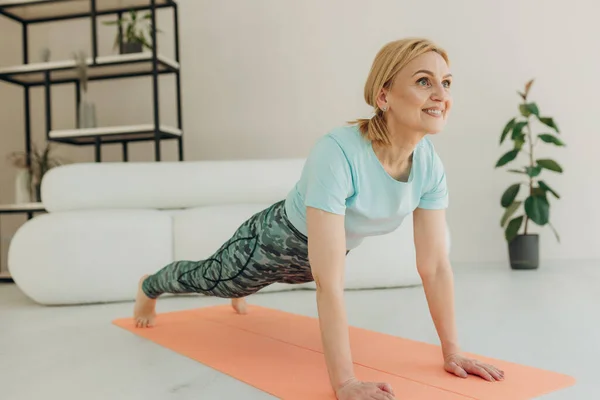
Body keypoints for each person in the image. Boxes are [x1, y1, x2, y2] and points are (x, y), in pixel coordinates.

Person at [133, 37, 504, 400]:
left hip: (315, 260)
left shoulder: (429, 166)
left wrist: (452, 352)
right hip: (269, 243)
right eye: (424, 81)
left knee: (244, 287)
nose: (441, 93)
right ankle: (150, 285)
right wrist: (344, 382)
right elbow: (330, 282)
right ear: (384, 95)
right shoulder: (338, 150)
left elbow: (436, 266)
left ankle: (240, 293)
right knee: (216, 281)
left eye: (447, 82)